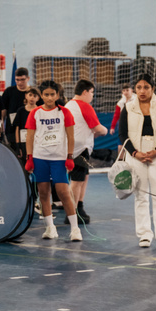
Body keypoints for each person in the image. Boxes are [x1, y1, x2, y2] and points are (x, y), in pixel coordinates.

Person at [24, 80, 82, 241]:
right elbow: (29, 137)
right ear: (41, 96)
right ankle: (50, 228)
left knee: (63, 192)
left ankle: (75, 229)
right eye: (46, 94)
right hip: (40, 158)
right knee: (43, 192)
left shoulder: (64, 112)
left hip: (58, 159)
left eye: (52, 94)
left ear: (57, 95)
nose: (49, 98)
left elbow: (71, 136)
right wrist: (29, 158)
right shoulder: (35, 113)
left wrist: (70, 156)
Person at [119, 73, 156, 250]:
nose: (142, 91)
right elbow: (122, 134)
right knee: (141, 196)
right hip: (136, 155)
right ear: (135, 89)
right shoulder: (127, 108)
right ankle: (144, 234)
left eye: (146, 87)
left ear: (153, 88)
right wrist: (135, 153)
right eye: (139, 87)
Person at [65, 79, 108, 224]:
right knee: (76, 181)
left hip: (71, 148)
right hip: (79, 150)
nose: (92, 96)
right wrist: (105, 130)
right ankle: (71, 213)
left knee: (83, 177)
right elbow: (99, 129)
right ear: (85, 92)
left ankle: (79, 206)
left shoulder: (68, 105)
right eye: (91, 92)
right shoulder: (84, 106)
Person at [2, 67, 37, 151]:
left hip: (31, 130)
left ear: (28, 78)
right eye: (17, 80)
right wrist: (2, 127)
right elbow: (3, 111)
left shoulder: (34, 93)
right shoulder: (9, 91)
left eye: (22, 80)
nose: (20, 82)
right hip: (12, 130)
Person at [14, 87, 41, 166]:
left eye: (34, 96)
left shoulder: (40, 111)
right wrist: (18, 145)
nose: (32, 98)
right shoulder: (20, 110)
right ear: (26, 96)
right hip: (23, 142)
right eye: (30, 95)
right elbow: (17, 128)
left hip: (36, 142)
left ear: (38, 98)